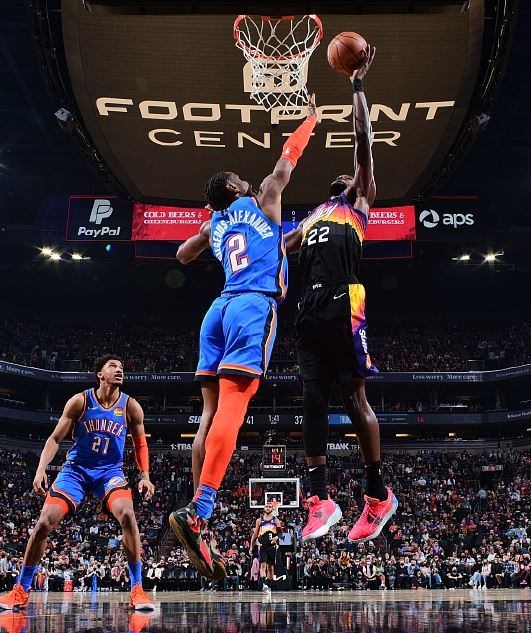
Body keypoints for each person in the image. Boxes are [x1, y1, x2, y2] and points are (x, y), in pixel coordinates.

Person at [170, 94, 319, 580]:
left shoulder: (215, 222)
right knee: (233, 410)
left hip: (217, 310)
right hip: (253, 306)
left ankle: (199, 518)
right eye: (239, 178)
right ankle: (201, 509)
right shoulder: (264, 198)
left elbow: (182, 255)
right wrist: (311, 120)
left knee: (209, 416)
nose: (248, 179)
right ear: (235, 187)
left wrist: (210, 221)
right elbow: (287, 160)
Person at [284, 47, 397, 545]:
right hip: (307, 309)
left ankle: (377, 494)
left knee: (354, 399)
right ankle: (319, 499)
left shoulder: (358, 202)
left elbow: (362, 142)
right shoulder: (310, 218)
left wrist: (356, 85)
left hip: (343, 303)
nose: (345, 176)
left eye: (351, 175)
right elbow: (274, 246)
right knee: (311, 398)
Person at [0, 355, 156, 611]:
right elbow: (55, 439)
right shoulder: (80, 401)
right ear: (100, 374)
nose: (119, 370)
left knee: (127, 514)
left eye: (122, 367)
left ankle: (137, 589)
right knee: (44, 523)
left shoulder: (130, 406)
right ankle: (21, 589)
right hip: (76, 471)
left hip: (109, 472)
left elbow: (141, 444)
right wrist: (40, 469)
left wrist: (145, 476)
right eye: (113, 366)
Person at [249, 502, 281, 594]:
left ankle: (268, 585)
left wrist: (276, 537)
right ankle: (264, 585)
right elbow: (255, 535)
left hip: (272, 546)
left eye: (269, 507)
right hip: (262, 546)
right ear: (264, 508)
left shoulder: (275, 520)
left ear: (272, 509)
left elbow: (280, 533)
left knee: (270, 567)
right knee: (262, 565)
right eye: (266, 506)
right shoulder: (259, 520)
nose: (267, 508)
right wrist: (251, 547)